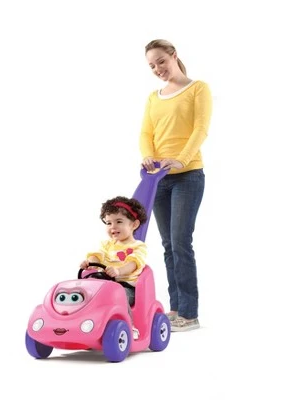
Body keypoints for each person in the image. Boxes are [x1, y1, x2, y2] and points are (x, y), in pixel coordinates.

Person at [139, 39, 212, 332]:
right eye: (152, 66)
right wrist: (148, 155)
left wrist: (181, 160)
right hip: (158, 179)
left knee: (181, 242)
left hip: (187, 176)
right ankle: (176, 308)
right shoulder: (153, 97)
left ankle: (190, 315)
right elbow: (146, 133)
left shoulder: (198, 89)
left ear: (174, 56)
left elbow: (200, 129)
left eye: (161, 61)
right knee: (169, 245)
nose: (158, 69)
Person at [79, 196, 148, 339]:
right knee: (84, 295)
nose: (113, 227)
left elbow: (133, 263)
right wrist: (89, 263)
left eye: (119, 222)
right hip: (104, 286)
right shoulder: (107, 245)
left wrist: (118, 271)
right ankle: (85, 324)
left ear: (134, 224)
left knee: (119, 296)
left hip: (126, 287)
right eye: (108, 223)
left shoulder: (138, 246)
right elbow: (97, 256)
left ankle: (129, 327)